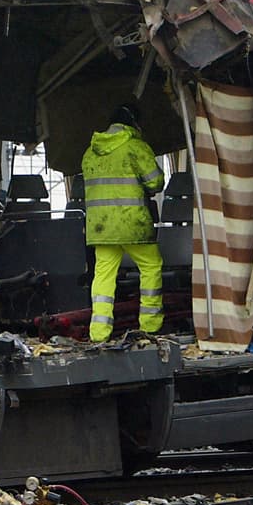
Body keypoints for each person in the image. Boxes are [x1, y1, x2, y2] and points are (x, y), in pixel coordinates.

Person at [81, 102, 166, 343]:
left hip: (102, 228)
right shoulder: (135, 147)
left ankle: (99, 333)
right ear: (135, 123)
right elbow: (156, 182)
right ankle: (150, 327)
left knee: (103, 276)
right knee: (150, 267)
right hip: (132, 224)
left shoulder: (90, 152)